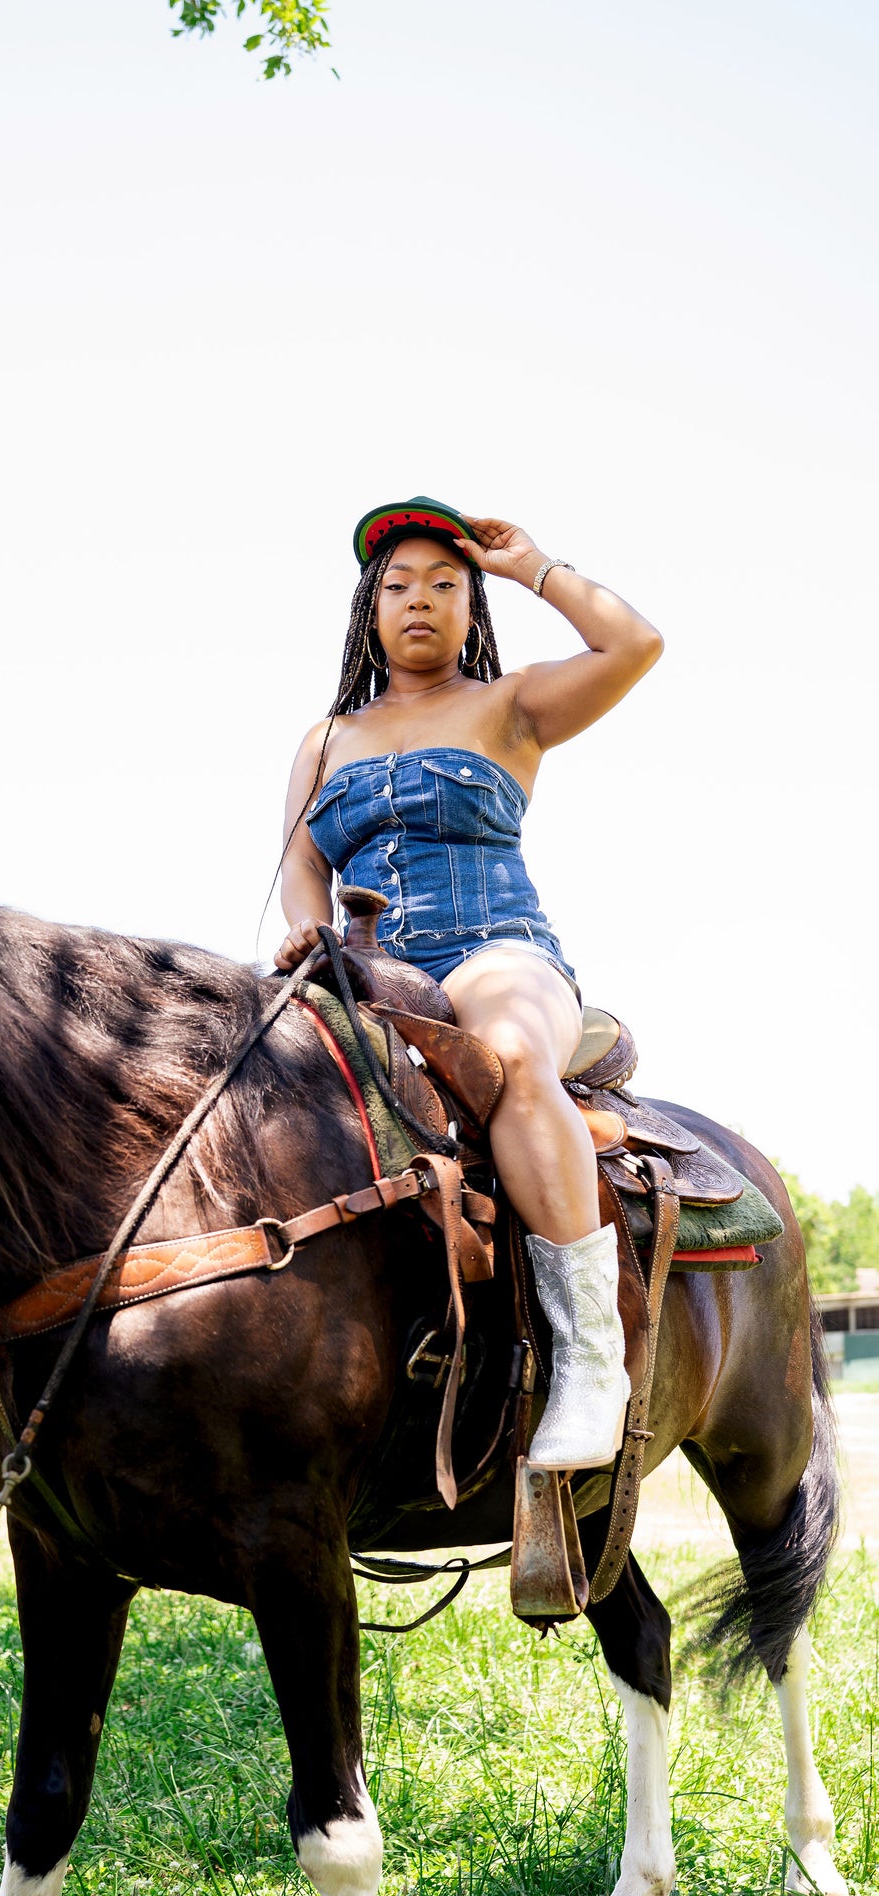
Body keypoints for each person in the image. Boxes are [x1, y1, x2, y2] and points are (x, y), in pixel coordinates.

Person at [276, 498, 663, 1471]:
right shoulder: (322, 738)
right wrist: (305, 940)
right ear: (369, 606)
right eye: (397, 584)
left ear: (469, 606)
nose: (418, 600)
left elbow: (634, 642)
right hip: (359, 969)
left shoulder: (513, 703)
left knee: (513, 1060)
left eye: (442, 584)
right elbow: (298, 871)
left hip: (495, 950)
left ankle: (589, 1363)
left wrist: (533, 564)